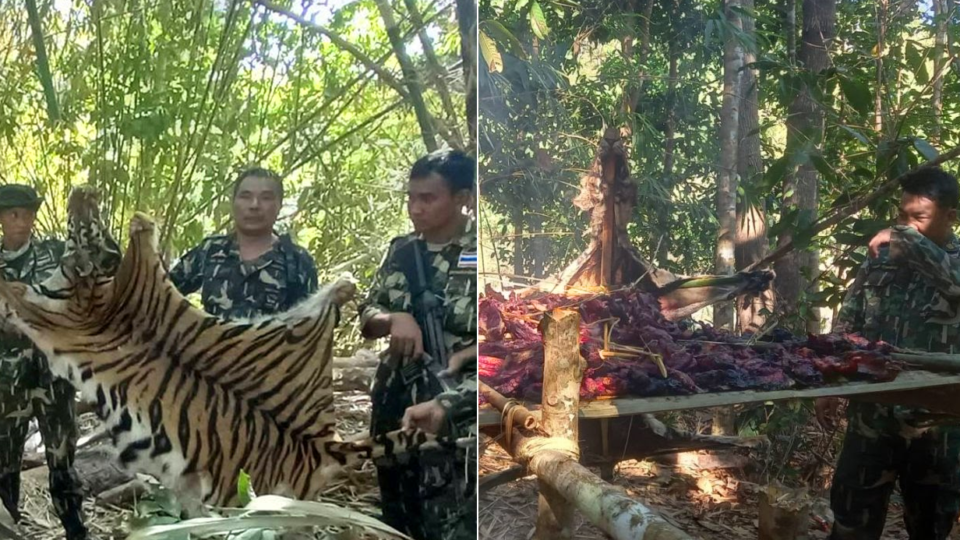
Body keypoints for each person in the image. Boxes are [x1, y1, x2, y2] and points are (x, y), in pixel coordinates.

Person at [817, 166, 960, 540]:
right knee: (850, 524)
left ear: (950, 216)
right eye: (901, 216)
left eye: (919, 217)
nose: (907, 226)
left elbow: (953, 282)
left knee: (930, 527)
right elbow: (850, 322)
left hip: (938, 425)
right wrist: (830, 381)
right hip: (873, 418)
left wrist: (904, 237)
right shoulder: (882, 258)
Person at [359, 148, 477, 540]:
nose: (415, 208)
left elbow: (508, 340)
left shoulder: (482, 255)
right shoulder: (401, 250)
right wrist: (395, 318)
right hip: (395, 399)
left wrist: (470, 355)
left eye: (428, 198)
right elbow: (368, 314)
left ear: (462, 199)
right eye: (411, 197)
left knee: (450, 519)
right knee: (396, 513)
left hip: (455, 405)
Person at [0, 184, 119, 540]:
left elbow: (109, 262)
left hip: (54, 377)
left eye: (27, 213)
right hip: (7, 383)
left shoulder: (55, 253)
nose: (21, 221)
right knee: (4, 466)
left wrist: (89, 219)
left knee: (63, 464)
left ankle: (75, 532)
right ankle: (9, 529)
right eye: (12, 214)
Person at [169, 167, 318, 320]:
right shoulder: (210, 250)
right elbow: (160, 294)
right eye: (245, 197)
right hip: (213, 342)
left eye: (266, 198)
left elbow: (314, 325)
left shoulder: (298, 261)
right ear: (233, 203)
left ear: (279, 205)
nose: (254, 205)